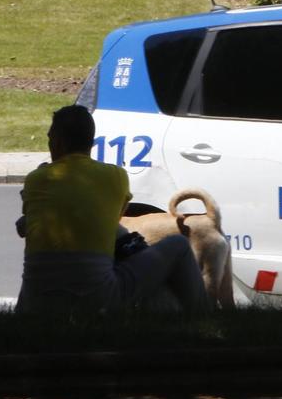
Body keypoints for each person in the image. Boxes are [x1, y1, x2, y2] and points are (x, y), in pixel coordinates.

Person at [15, 104, 209, 318]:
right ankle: (202, 318)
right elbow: (112, 220)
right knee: (179, 245)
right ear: (90, 141)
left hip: (36, 301)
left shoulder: (36, 179)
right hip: (98, 299)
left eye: (50, 138)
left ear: (58, 142)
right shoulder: (116, 176)